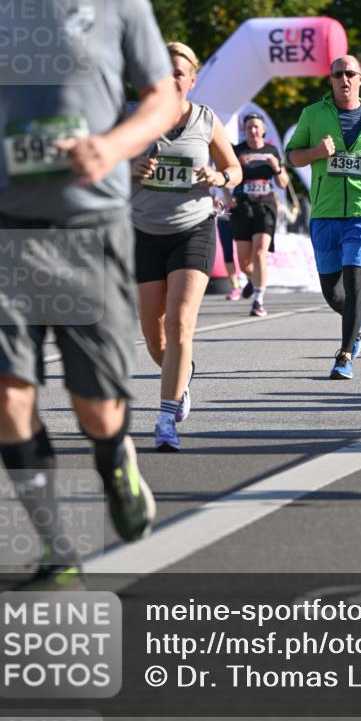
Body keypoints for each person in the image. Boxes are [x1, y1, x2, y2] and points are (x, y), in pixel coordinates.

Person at [0, 0, 179, 582]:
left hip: (92, 232)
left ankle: (116, 462)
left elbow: (163, 99)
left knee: (96, 409)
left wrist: (111, 145)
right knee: (8, 394)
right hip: (2, 227)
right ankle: (56, 549)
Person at [131, 41, 241, 451]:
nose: (171, 79)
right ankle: (182, 374)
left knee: (180, 323)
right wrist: (131, 168)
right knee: (153, 334)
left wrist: (220, 179)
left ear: (192, 80)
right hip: (143, 232)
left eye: (179, 73)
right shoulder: (131, 117)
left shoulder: (207, 120)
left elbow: (235, 168)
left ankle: (165, 420)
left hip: (193, 229)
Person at [286, 54, 361, 379]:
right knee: (333, 293)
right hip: (325, 213)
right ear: (331, 79)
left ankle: (345, 354)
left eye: (350, 73)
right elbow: (292, 156)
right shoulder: (312, 114)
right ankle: (357, 319)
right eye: (338, 74)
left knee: (354, 282)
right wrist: (316, 153)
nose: (344, 79)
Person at [230, 112, 289, 317]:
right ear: (244, 131)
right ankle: (251, 279)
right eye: (249, 128)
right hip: (242, 207)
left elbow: (283, 183)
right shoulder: (236, 151)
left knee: (259, 253)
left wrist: (276, 167)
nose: (253, 131)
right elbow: (225, 177)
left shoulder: (271, 151)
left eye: (256, 127)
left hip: (265, 206)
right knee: (245, 262)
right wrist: (226, 196)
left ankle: (258, 300)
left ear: (263, 130)